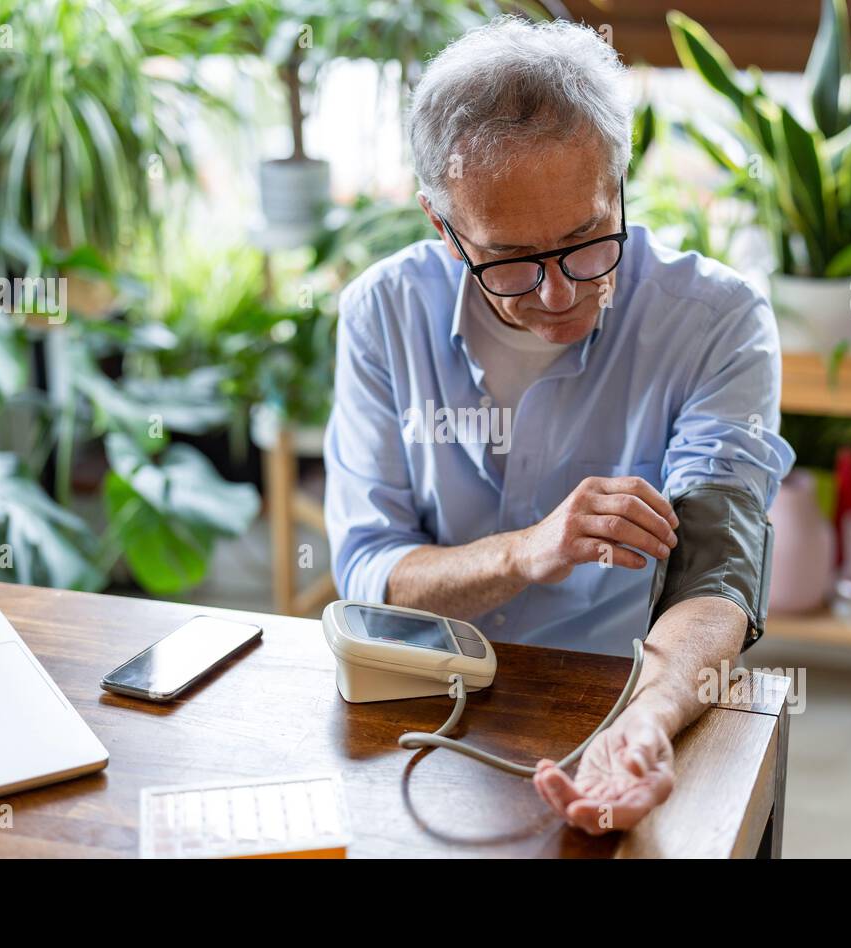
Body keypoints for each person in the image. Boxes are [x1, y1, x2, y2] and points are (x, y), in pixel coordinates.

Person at [324, 17, 794, 834]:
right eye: (510, 259)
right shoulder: (382, 312)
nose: (557, 294)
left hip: (624, 692)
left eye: (586, 241)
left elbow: (716, 571)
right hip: (423, 705)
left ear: (621, 185)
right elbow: (369, 569)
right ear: (443, 228)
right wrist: (527, 550)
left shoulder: (718, 320)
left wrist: (647, 722)